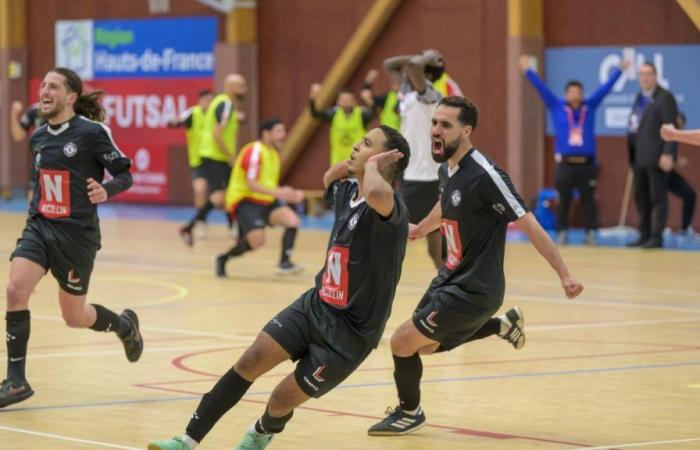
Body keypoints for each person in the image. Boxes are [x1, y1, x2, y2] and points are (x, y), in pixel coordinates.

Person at [148, 125, 411, 450]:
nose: (357, 145)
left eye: (367, 144)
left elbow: (376, 194)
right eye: (360, 140)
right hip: (316, 304)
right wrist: (355, 162)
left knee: (281, 398)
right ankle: (186, 440)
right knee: (251, 359)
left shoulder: (391, 208)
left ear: (387, 161)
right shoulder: (348, 193)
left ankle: (261, 432)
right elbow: (328, 180)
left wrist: (371, 167)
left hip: (350, 333)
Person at [366, 96, 584, 436]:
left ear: (467, 131)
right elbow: (446, 202)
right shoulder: (446, 169)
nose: (436, 130)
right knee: (424, 346)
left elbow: (530, 224)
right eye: (434, 122)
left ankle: (410, 412)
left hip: (475, 289)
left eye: (446, 125)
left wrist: (565, 274)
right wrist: (422, 228)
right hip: (450, 278)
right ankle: (501, 326)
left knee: (401, 342)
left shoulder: (486, 175)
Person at [1, 67, 143, 408]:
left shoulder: (92, 132)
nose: (44, 91)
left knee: (74, 317)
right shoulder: (38, 136)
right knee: (15, 289)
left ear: (71, 97)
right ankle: (16, 381)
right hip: (40, 226)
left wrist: (105, 191)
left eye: (53, 86)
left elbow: (124, 174)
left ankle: (124, 326)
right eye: (43, 85)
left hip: (76, 235)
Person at [520, 54, 629, 245]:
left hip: (587, 164)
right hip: (565, 164)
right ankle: (562, 232)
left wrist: (619, 70)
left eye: (578, 92)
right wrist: (528, 71)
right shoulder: (556, 106)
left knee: (589, 201)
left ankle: (591, 233)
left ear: (582, 93)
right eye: (571, 92)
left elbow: (605, 89)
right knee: (564, 200)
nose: (575, 95)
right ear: (566, 93)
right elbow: (542, 89)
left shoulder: (590, 106)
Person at [216, 118, 305, 277]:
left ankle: (284, 263)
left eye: (283, 131)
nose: (283, 135)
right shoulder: (255, 151)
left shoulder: (274, 154)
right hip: (246, 200)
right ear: (265, 133)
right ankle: (223, 258)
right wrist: (279, 193)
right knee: (257, 241)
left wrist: (289, 194)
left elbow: (268, 184)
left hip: (266, 200)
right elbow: (252, 184)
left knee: (292, 221)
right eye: (278, 131)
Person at [384, 49, 446, 269]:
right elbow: (390, 63)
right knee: (433, 245)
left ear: (426, 73)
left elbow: (412, 67)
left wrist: (428, 57)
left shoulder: (430, 95)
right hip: (415, 175)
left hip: (425, 178)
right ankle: (449, 283)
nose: (408, 69)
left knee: (391, 233)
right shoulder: (409, 93)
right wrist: (423, 56)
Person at [179, 74, 248, 246]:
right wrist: (231, 157)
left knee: (225, 194)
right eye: (240, 85)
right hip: (217, 156)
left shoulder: (221, 103)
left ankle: (234, 229)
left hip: (212, 155)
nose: (244, 89)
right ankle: (192, 225)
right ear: (229, 86)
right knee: (221, 194)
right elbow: (217, 133)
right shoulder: (226, 104)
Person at [627, 62, 678, 248]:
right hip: (639, 156)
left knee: (658, 197)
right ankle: (644, 234)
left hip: (657, 156)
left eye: (648, 74)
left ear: (656, 76)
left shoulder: (665, 97)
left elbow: (672, 127)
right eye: (641, 74)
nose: (645, 78)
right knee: (641, 197)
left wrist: (669, 153)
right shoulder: (640, 97)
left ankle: (657, 237)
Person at [168, 89, 215, 238]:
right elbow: (178, 121)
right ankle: (201, 222)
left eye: (211, 100)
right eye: (206, 100)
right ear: (199, 101)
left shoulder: (218, 114)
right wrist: (175, 121)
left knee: (222, 196)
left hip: (217, 159)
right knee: (200, 191)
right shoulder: (192, 113)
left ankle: (233, 224)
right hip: (199, 160)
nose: (209, 103)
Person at [309, 84, 375, 166]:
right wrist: (312, 99)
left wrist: (370, 102)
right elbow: (316, 114)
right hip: (338, 162)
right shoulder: (334, 114)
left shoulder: (361, 114)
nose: (345, 102)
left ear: (354, 101)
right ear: (338, 102)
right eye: (343, 100)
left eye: (348, 100)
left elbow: (373, 114)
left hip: (357, 161)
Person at [662, 112, 696, 236]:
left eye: (681, 126)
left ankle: (685, 228)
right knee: (659, 198)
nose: (679, 127)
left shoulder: (675, 137)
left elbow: (671, 153)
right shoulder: (664, 133)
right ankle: (657, 228)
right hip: (657, 172)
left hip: (669, 173)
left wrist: (677, 160)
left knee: (690, 194)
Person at [10, 101, 46, 200]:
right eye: (44, 86)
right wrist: (14, 114)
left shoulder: (64, 110)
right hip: (39, 161)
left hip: (60, 161)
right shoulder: (34, 110)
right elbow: (18, 136)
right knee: (32, 199)